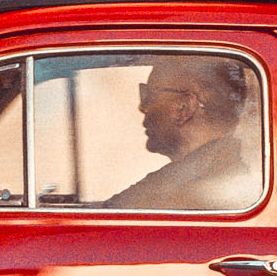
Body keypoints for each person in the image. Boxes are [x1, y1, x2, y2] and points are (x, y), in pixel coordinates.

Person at [104, 54, 262, 211]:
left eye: (149, 95)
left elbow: (108, 217)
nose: (142, 107)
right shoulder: (225, 167)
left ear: (183, 107)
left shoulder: (181, 187)